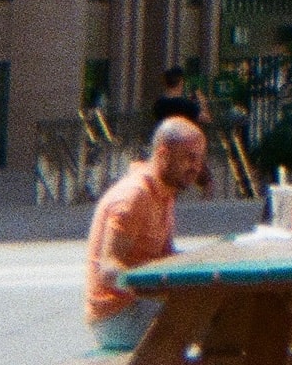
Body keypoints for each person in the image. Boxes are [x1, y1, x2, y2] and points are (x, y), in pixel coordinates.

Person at [85, 117, 207, 351]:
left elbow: (167, 256)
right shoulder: (133, 198)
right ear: (163, 154)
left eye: (200, 158)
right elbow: (108, 269)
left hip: (142, 306)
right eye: (189, 157)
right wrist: (152, 289)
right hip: (117, 317)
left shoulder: (165, 192)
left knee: (228, 311)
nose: (196, 166)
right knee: (219, 324)